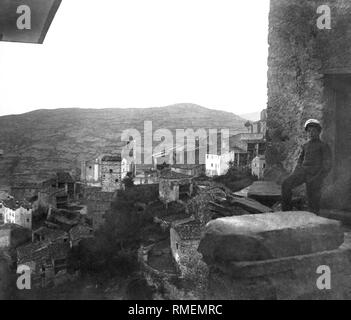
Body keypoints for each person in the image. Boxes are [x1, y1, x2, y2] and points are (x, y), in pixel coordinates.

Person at [281, 119, 332, 214]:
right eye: (309, 131)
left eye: (314, 131)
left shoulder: (323, 146)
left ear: (319, 132)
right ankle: (286, 212)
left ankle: (314, 218)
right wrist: (296, 172)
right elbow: (300, 161)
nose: (311, 133)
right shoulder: (305, 146)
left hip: (315, 175)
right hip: (303, 172)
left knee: (313, 199)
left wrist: (318, 177)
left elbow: (327, 165)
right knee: (286, 184)